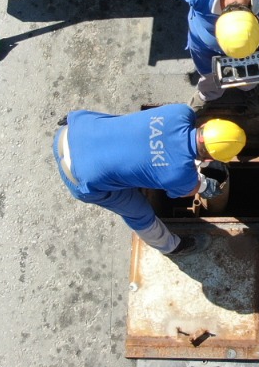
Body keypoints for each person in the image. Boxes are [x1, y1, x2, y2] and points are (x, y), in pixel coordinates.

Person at [54, 105, 245, 257]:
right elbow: (187, 190)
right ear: (211, 159)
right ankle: (171, 247)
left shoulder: (180, 112)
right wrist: (203, 185)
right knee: (139, 213)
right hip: (78, 176)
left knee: (118, 126)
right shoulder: (179, 175)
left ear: (206, 125)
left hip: (73, 129)